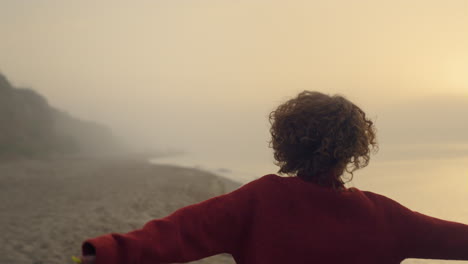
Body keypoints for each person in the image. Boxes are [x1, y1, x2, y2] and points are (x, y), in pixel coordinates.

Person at [78, 91, 468, 264]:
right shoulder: (387, 218)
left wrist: (103, 253)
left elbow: (177, 234)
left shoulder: (259, 201)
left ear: (285, 142)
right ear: (355, 147)